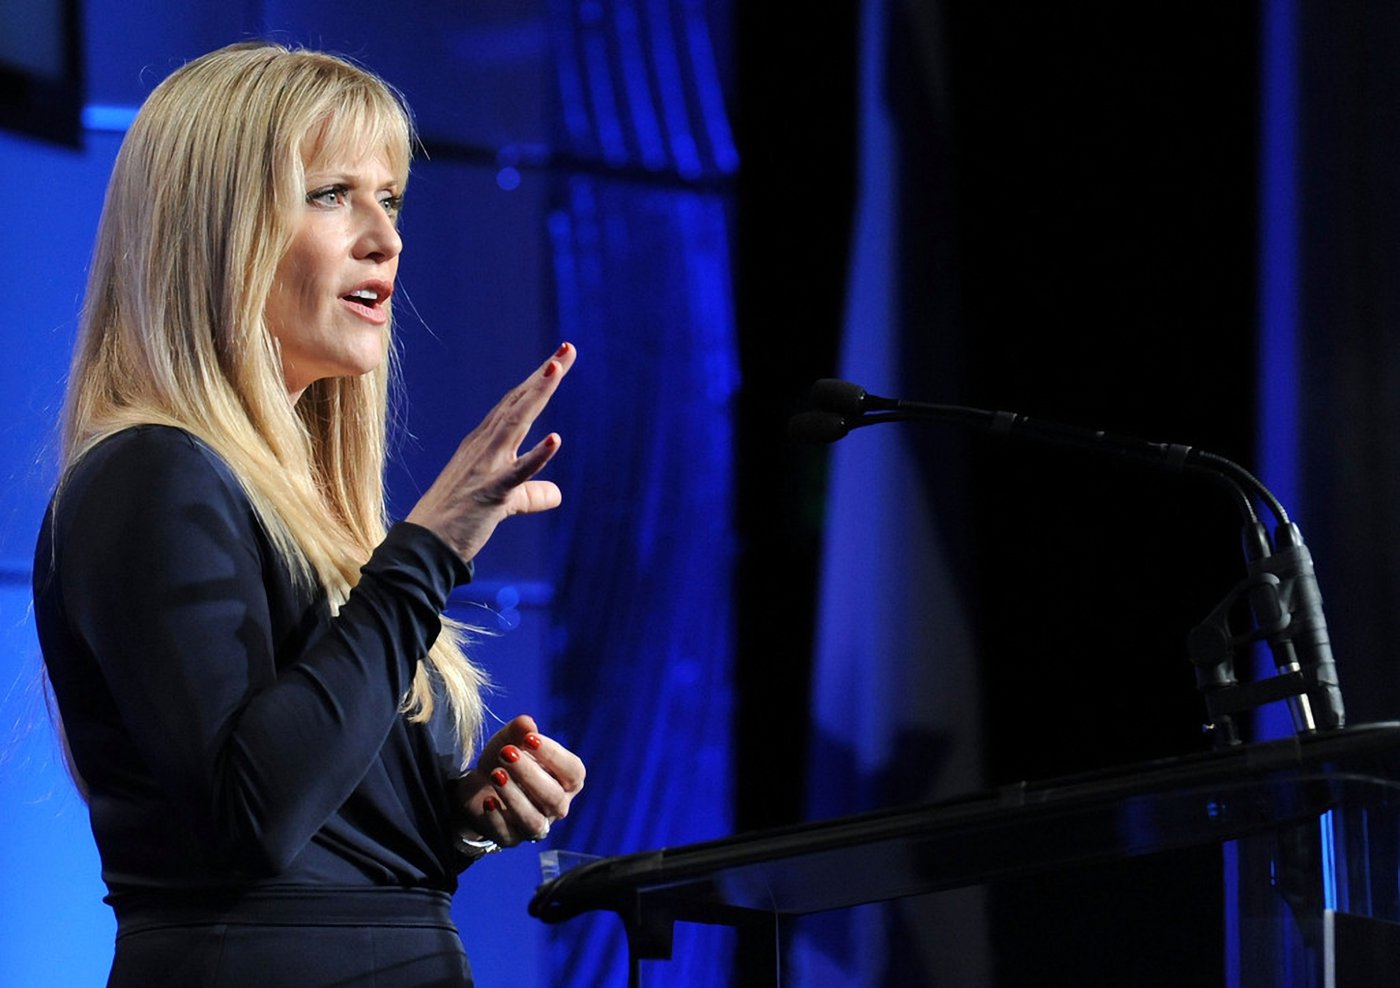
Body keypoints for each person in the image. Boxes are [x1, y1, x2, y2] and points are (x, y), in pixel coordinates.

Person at [31, 41, 585, 986]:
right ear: (217, 233)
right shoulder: (150, 473)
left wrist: (456, 822)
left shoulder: (302, 507)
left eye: (390, 199)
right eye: (332, 195)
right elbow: (249, 819)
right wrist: (430, 549)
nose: (385, 238)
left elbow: (321, 843)